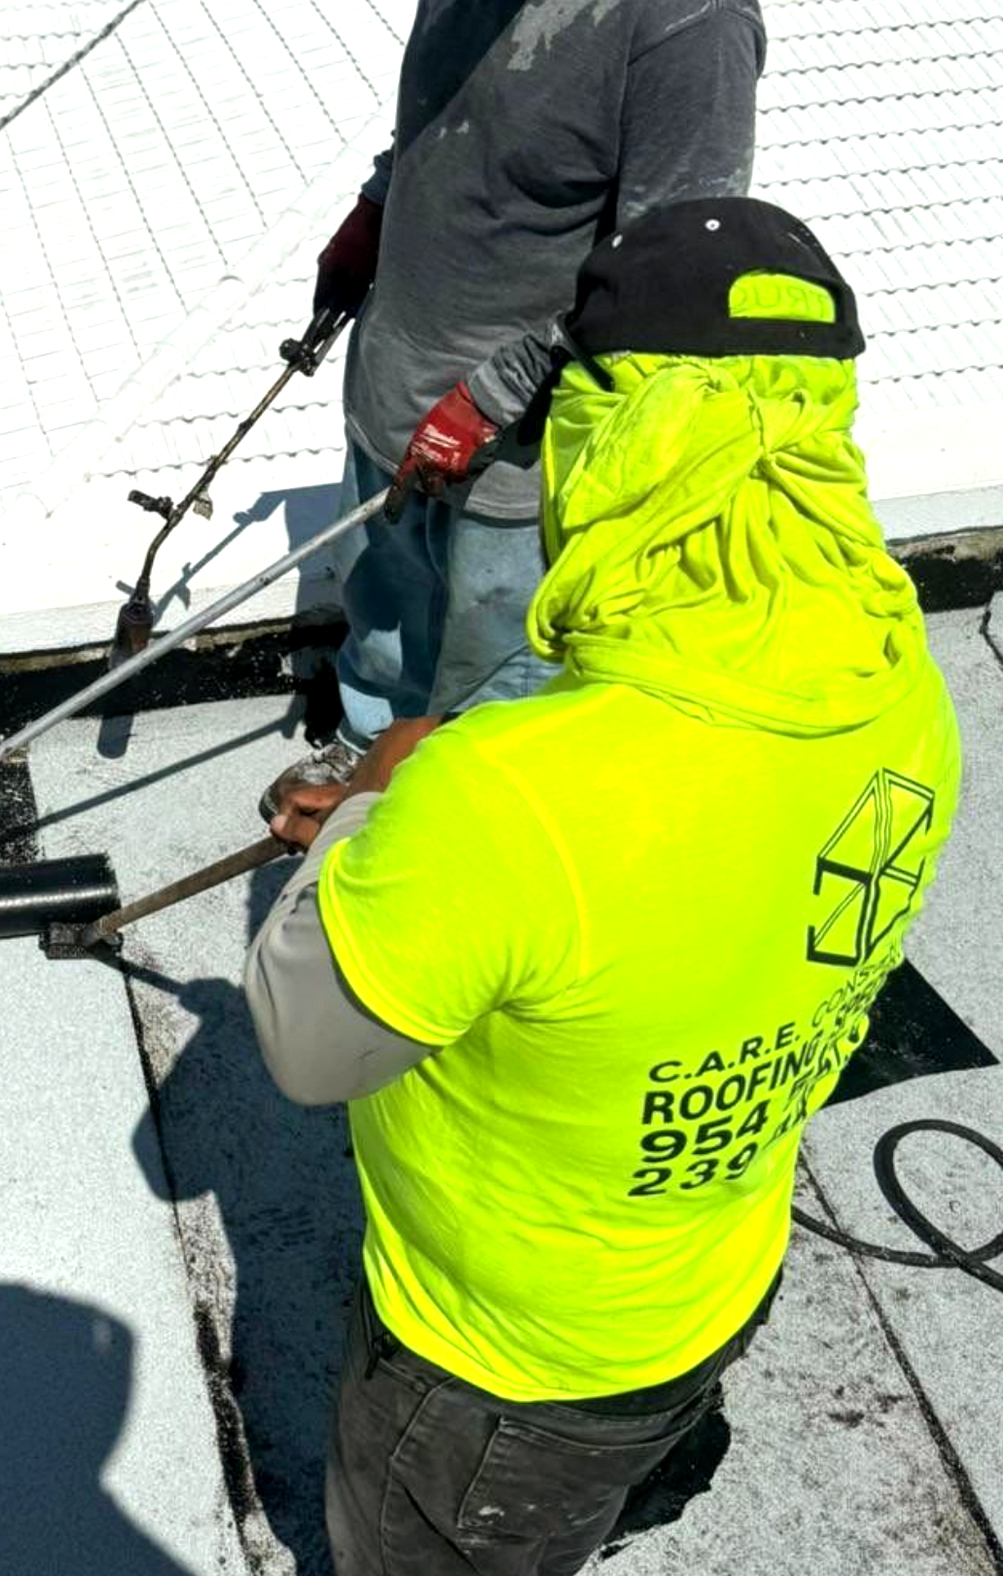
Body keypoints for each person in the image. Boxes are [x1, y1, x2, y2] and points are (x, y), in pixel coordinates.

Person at [244, 197, 962, 1576]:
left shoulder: (505, 795)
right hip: (714, 1279)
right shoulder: (906, 696)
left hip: (492, 1376)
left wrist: (385, 794)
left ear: (607, 436)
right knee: (630, 1458)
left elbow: (304, 1045)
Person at [267, 0, 765, 818]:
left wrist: (494, 391)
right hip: (403, 377)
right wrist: (376, 211)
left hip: (522, 443)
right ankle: (364, 739)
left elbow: (668, 273)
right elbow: (449, 112)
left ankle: (458, 826)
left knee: (495, 678)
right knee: (389, 603)